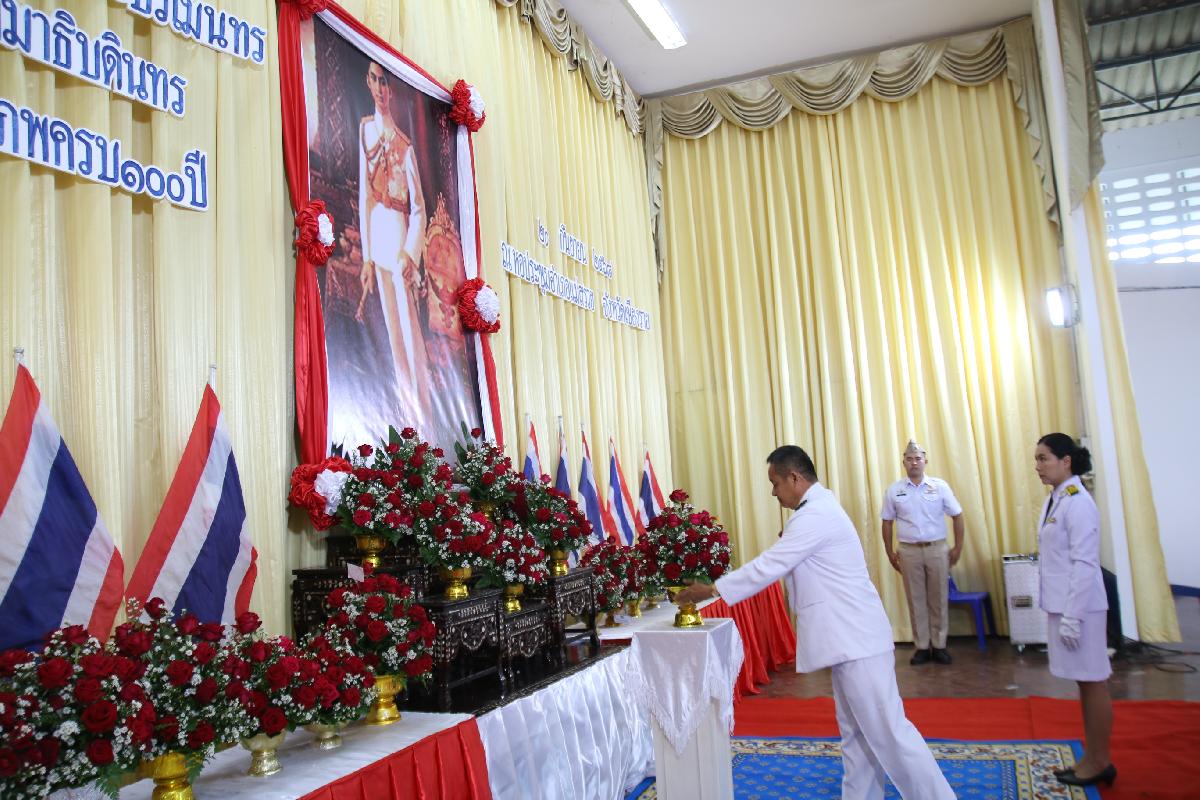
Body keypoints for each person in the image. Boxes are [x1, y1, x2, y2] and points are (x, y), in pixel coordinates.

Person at [675, 446, 954, 799]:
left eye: (775, 483)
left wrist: (713, 589)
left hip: (857, 640)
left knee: (890, 733)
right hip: (851, 640)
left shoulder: (815, 514)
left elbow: (770, 565)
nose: (773, 492)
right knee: (856, 736)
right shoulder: (817, 509)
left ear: (794, 478)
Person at [1034, 433, 1116, 788]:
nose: (1038, 466)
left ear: (1066, 461)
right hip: (1067, 604)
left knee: (1094, 680)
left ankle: (1099, 761)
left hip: (1082, 608)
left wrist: (1073, 616)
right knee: (1085, 681)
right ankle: (1093, 756)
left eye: (1044, 458)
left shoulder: (1078, 503)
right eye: (1036, 459)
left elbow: (1085, 563)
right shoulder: (1057, 498)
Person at [358, 60, 429, 430]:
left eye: (386, 83)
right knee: (393, 336)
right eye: (376, 81)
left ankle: (425, 417)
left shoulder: (405, 146)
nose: (381, 90)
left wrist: (409, 253)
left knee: (411, 335)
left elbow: (419, 208)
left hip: (400, 242)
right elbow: (365, 196)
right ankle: (407, 419)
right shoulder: (366, 130)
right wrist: (367, 258)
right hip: (379, 238)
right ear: (369, 83)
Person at [880, 439, 965, 665]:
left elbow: (957, 515)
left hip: (937, 548)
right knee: (915, 599)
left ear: (925, 461)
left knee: (938, 598)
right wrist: (889, 552)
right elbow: (887, 522)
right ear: (904, 463)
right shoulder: (894, 490)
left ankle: (939, 645)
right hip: (908, 551)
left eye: (918, 458)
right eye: (909, 459)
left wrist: (958, 547)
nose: (914, 463)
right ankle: (922, 646)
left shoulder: (939, 486)